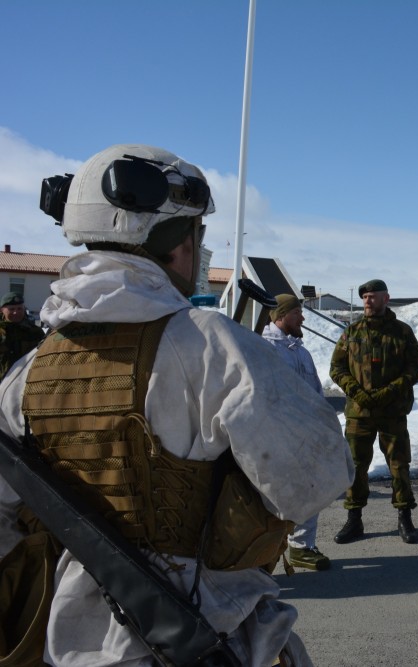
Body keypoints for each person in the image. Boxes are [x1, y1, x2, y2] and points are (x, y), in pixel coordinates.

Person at [0, 144, 353, 666]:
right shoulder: (210, 344)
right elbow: (321, 471)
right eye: (195, 236)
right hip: (208, 639)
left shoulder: (27, 373)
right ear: (171, 242)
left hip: (69, 649)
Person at [330, 278, 418, 544]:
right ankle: (354, 519)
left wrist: (390, 391)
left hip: (392, 412)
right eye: (365, 297)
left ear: (386, 298)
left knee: (399, 465)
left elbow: (415, 368)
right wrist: (357, 392)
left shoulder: (402, 332)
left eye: (373, 296)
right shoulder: (352, 332)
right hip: (359, 414)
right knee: (356, 466)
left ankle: (405, 517)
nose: (368, 301)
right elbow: (337, 368)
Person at [263, 293, 334, 572]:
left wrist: (323, 423)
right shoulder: (265, 348)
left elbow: (316, 392)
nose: (302, 318)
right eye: (297, 313)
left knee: (308, 491)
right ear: (281, 315)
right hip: (277, 439)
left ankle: (302, 547)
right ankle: (263, 551)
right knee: (272, 498)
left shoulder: (301, 352)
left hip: (305, 438)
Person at [0, 291, 45, 377]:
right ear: (2, 310)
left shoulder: (35, 332)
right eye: (11, 309)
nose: (16, 312)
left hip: (26, 381)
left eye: (19, 309)